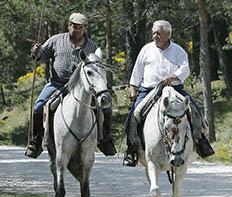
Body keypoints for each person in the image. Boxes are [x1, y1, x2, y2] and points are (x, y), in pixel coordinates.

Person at [25, 13, 116, 158]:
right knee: (39, 106)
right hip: (57, 84)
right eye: (74, 26)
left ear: (85, 28)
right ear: (69, 26)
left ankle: (105, 139)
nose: (76, 29)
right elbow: (40, 56)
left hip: (82, 87)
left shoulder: (92, 46)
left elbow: (97, 68)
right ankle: (37, 141)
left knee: (106, 107)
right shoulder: (55, 40)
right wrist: (36, 52)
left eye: (80, 27)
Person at [123, 20, 203, 166]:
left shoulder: (178, 50)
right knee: (133, 115)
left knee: (195, 110)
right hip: (149, 90)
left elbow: (185, 69)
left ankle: (200, 143)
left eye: (158, 33)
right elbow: (137, 71)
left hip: (174, 88)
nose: (154, 35)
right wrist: (133, 88)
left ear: (168, 34)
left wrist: (174, 77)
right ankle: (132, 149)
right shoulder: (146, 49)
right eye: (153, 32)